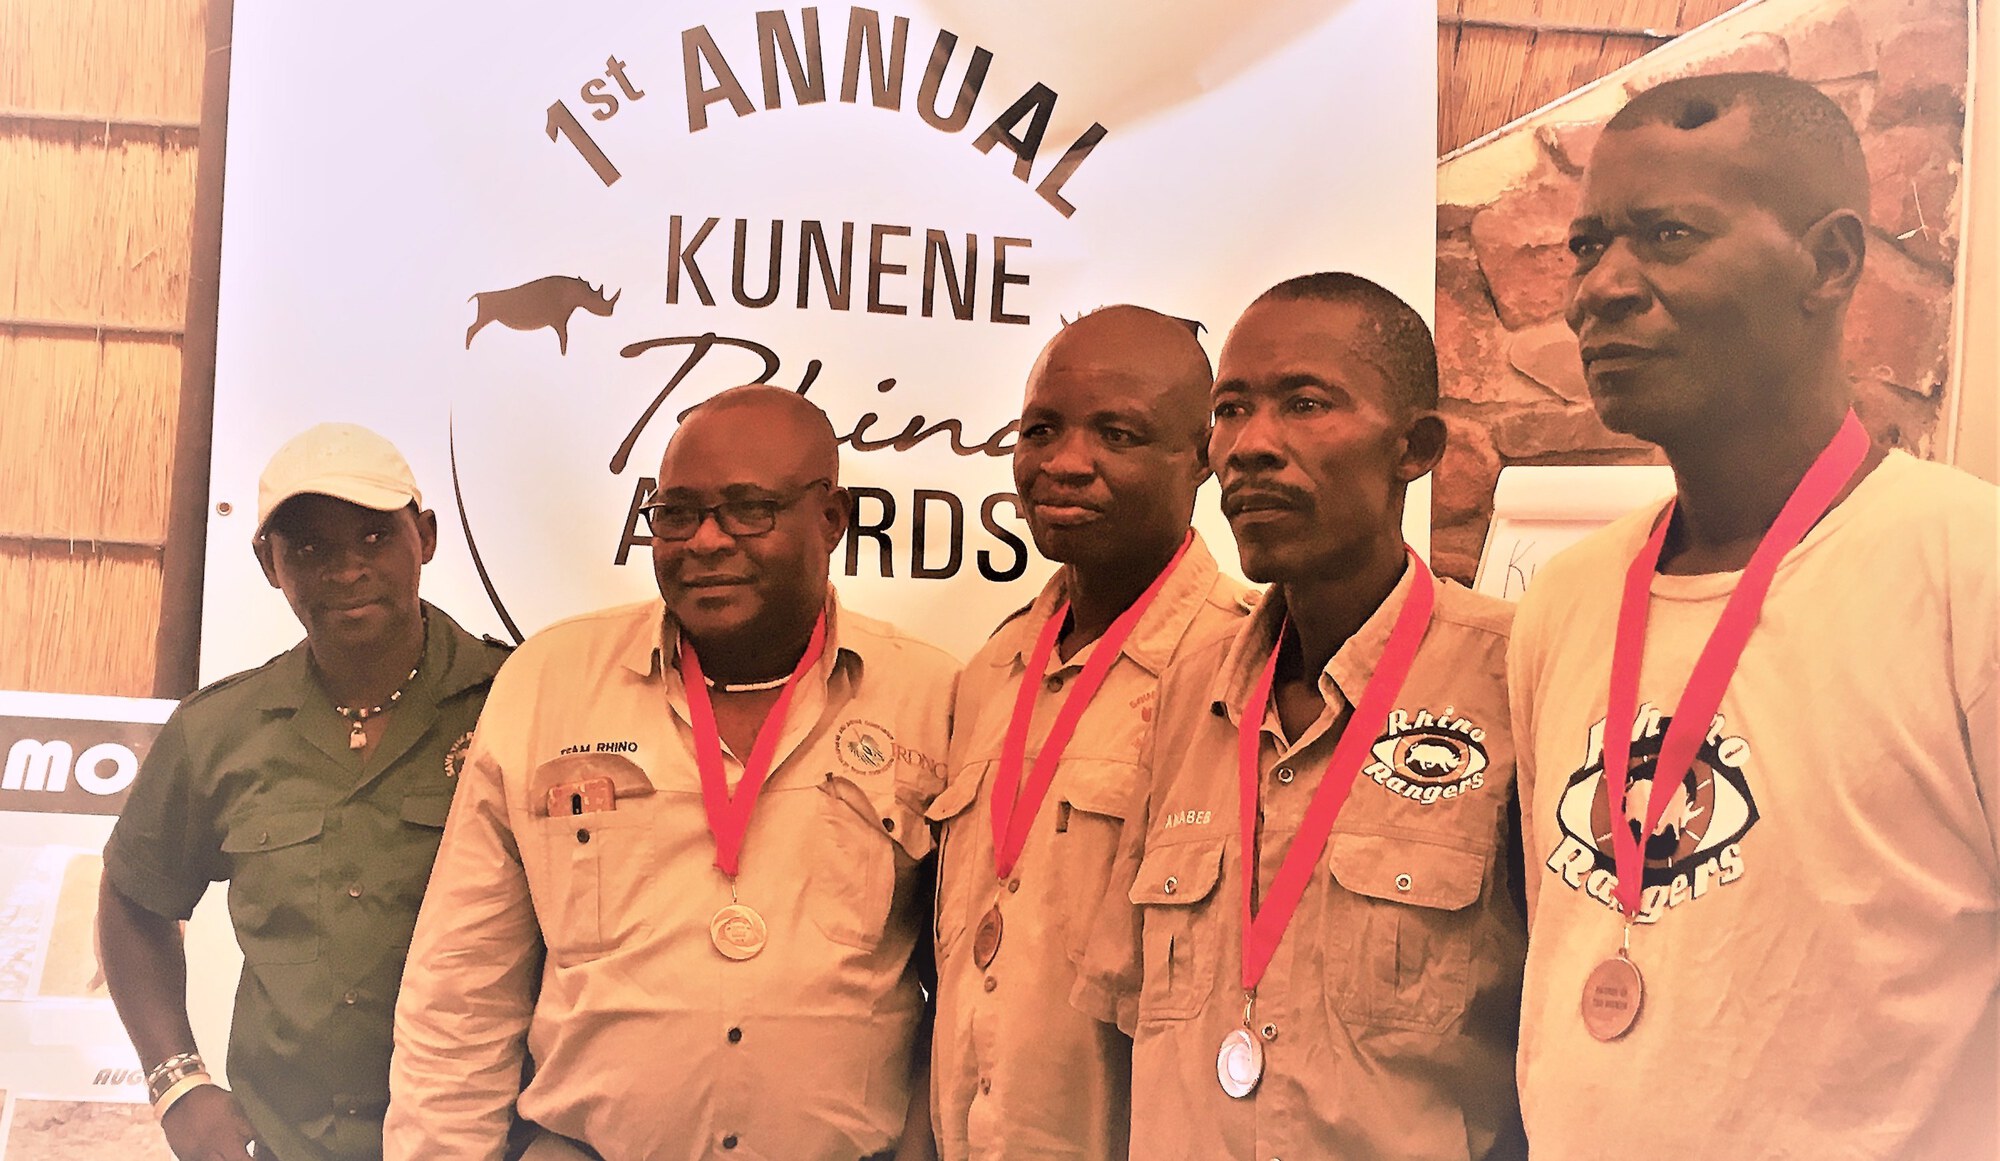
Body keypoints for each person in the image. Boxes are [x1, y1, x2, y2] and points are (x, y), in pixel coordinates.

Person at [1510, 72, 1999, 1158]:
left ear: (1828, 262)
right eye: (1587, 246)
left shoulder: (1969, 572)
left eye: (1667, 235)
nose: (1599, 291)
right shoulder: (1564, 601)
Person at [386, 385, 958, 1161]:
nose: (707, 541)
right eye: (678, 513)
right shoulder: (548, 684)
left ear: (831, 518)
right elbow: (462, 988)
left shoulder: (932, 700)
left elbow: (967, 995)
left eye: (748, 508)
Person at [1074, 273, 1527, 1159]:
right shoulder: (1190, 687)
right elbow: (1132, 1022)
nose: (1248, 447)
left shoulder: (1513, 679)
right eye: (1230, 411)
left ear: (1415, 447)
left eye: (1305, 403)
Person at [100, 422, 512, 1161]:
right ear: (269, 562)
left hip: (484, 1140)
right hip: (286, 1144)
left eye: (373, 537)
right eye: (310, 548)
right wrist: (177, 1084)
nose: (345, 569)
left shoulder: (520, 702)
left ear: (425, 536)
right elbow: (135, 899)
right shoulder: (217, 729)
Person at [928, 306, 1249, 1161]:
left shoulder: (1243, 673)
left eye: (1118, 432)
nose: (1065, 462)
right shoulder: (988, 673)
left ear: (1201, 459)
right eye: (1041, 429)